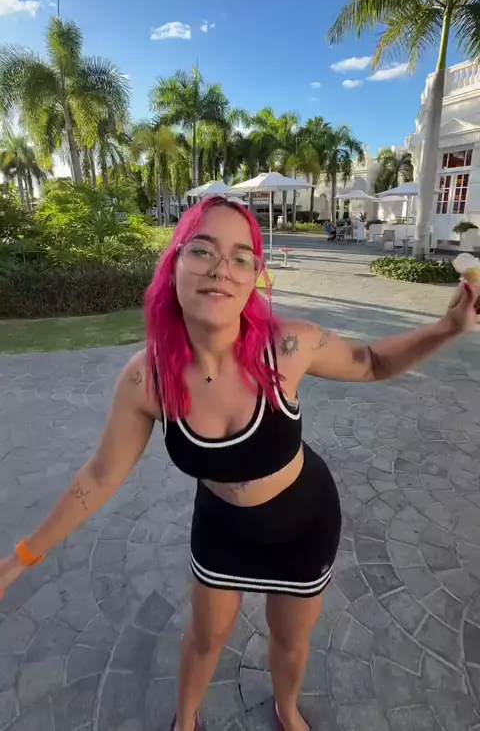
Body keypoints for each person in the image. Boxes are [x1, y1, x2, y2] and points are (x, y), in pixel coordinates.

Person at [0, 196, 478, 731]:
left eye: (241, 257)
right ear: (174, 263)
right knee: (206, 637)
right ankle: (186, 720)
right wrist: (19, 559)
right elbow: (98, 476)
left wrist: (448, 327)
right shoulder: (147, 379)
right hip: (222, 527)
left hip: (304, 523)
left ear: (254, 277)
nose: (221, 269)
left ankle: (287, 709)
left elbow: (371, 363)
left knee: (291, 639)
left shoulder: (288, 347)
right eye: (202, 250)